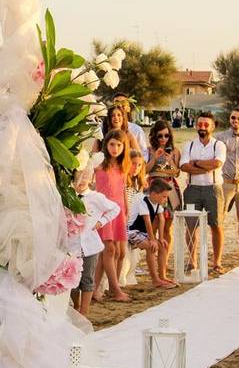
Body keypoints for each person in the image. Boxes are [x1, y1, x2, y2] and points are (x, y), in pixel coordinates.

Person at [68, 152, 120, 316]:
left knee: (87, 279)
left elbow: (115, 208)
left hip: (90, 246)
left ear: (91, 179)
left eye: (86, 177)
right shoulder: (68, 197)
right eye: (79, 177)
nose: (82, 181)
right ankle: (76, 307)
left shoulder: (96, 197)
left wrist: (101, 222)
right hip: (72, 245)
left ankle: (84, 311)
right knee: (73, 279)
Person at [179, 111, 227, 274]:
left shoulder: (218, 145)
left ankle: (217, 261)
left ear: (213, 127)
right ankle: (192, 261)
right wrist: (204, 167)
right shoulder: (189, 145)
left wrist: (197, 163)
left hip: (213, 188)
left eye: (206, 124)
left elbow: (217, 163)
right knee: (191, 226)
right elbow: (184, 166)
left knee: (216, 225)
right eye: (200, 124)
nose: (202, 127)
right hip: (192, 189)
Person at [94, 129, 132, 302]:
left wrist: (126, 207)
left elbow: (122, 188)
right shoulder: (100, 164)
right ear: (105, 145)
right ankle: (115, 290)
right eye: (111, 144)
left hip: (119, 211)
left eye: (119, 145)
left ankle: (94, 289)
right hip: (104, 212)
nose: (115, 148)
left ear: (124, 147)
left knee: (109, 252)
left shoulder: (123, 166)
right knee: (109, 249)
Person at [214, 108, 239, 260]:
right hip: (225, 183)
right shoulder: (220, 138)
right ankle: (218, 256)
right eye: (233, 118)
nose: (235, 121)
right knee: (220, 218)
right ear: (229, 119)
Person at [145, 120, 181, 276]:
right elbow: (144, 171)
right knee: (152, 230)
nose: (163, 138)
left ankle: (163, 265)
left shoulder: (174, 151)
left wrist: (169, 161)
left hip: (170, 188)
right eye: (160, 135)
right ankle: (153, 266)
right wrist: (154, 157)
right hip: (153, 186)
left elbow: (176, 172)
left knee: (167, 229)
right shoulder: (148, 150)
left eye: (166, 135)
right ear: (154, 135)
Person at [127, 178, 176, 289]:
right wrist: (152, 239)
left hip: (143, 233)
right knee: (151, 247)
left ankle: (162, 276)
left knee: (163, 246)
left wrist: (162, 238)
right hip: (131, 232)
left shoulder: (158, 204)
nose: (166, 199)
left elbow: (162, 219)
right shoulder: (143, 202)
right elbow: (147, 221)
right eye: (164, 196)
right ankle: (155, 280)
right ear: (153, 194)